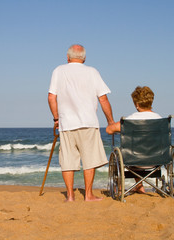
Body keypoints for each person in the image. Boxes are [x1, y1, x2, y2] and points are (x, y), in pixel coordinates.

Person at [48, 44, 114, 202]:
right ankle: (88, 195)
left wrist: (56, 119)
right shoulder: (92, 72)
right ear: (84, 58)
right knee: (89, 159)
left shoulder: (58, 70)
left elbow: (51, 97)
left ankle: (70, 196)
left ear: (67, 57)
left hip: (67, 123)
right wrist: (110, 121)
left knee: (68, 161)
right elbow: (103, 98)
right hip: (88, 122)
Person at [106, 86, 162, 193]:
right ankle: (139, 186)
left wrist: (117, 127)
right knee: (139, 149)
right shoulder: (160, 120)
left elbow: (109, 130)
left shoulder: (130, 120)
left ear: (136, 104)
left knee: (126, 153)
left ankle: (121, 187)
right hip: (157, 160)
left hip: (134, 160)